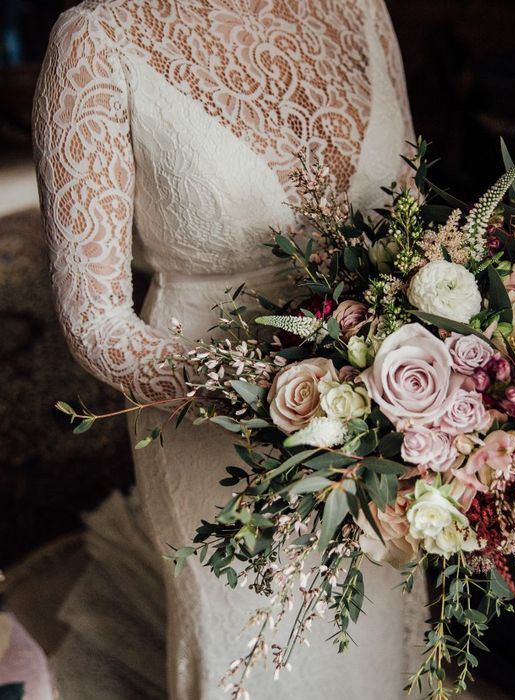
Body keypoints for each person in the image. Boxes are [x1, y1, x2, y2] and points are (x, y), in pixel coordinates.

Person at [32, 1, 418, 697]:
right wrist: (273, 398)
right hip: (211, 414)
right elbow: (96, 322)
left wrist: (439, 375)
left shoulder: (361, 9)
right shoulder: (96, 37)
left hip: (393, 401)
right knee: (260, 654)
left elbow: (413, 223)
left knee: (372, 628)